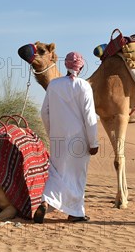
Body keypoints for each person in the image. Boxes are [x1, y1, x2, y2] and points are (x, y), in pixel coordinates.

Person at [34, 52, 98, 223]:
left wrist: (52, 132)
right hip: (79, 140)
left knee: (55, 173)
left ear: (66, 65)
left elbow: (44, 112)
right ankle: (76, 212)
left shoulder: (54, 85)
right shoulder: (84, 86)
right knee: (77, 175)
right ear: (81, 67)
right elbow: (90, 117)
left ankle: (44, 201)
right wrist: (94, 142)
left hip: (58, 139)